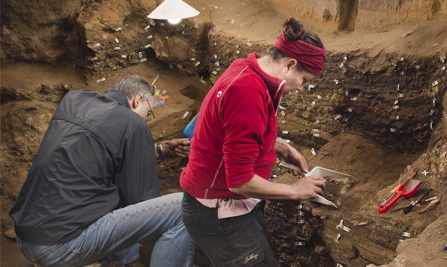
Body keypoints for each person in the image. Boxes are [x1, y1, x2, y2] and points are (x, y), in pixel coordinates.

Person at [180, 17, 327, 266]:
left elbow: (230, 130)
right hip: (220, 213)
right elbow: (239, 181)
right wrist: (293, 190)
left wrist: (275, 145)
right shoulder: (247, 92)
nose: (302, 88)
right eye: (305, 81)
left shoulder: (247, 68)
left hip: (233, 207)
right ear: (289, 65)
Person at [9, 75, 195, 267]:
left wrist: (158, 149)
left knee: (113, 185)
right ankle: (126, 262)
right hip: (60, 247)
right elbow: (141, 202)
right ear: (137, 99)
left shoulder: (74, 100)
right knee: (182, 208)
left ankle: (124, 262)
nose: (146, 120)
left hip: (27, 236)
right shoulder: (133, 123)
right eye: (148, 112)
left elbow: (102, 154)